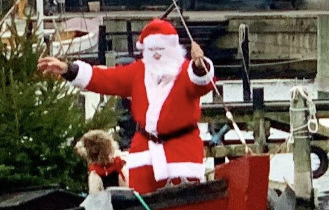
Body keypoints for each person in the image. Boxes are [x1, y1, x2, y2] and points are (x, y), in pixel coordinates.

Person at [37, 19, 214, 194]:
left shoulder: (186, 71)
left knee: (186, 203)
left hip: (181, 153)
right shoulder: (138, 72)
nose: (157, 54)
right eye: (152, 50)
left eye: (161, 49)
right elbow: (106, 78)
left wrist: (200, 66)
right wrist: (68, 69)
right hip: (144, 153)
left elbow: (203, 84)